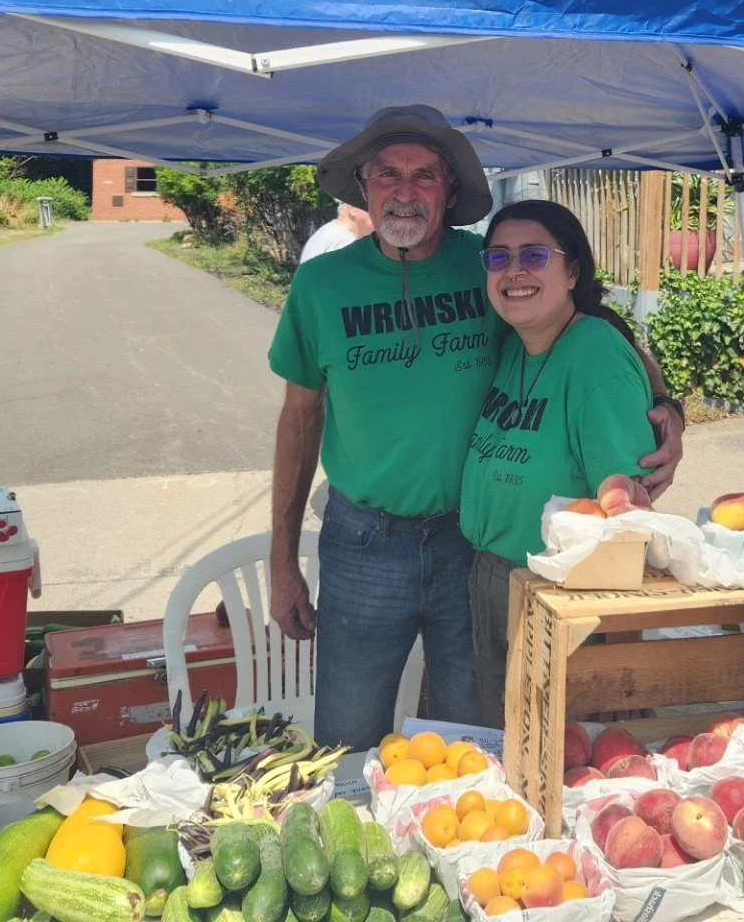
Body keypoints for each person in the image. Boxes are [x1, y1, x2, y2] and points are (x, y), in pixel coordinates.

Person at [266, 105, 684, 750]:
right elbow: (299, 418)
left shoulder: (490, 265)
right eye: (386, 175)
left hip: (471, 545)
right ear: (364, 187)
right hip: (363, 544)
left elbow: (596, 324)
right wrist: (281, 559)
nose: (404, 192)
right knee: (346, 737)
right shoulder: (321, 285)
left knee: (475, 731)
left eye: (425, 176)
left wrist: (667, 406)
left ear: (450, 191)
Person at [461, 200, 654, 729]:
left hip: (563, 597)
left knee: (561, 754)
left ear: (572, 272)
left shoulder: (594, 356)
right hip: (496, 577)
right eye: (498, 258)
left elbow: (624, 505)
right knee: (507, 739)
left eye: (535, 255)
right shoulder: (517, 346)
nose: (514, 271)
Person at [299, 202, 374, 264]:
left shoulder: (329, 233)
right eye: (372, 206)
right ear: (353, 207)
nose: (379, 214)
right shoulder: (346, 244)